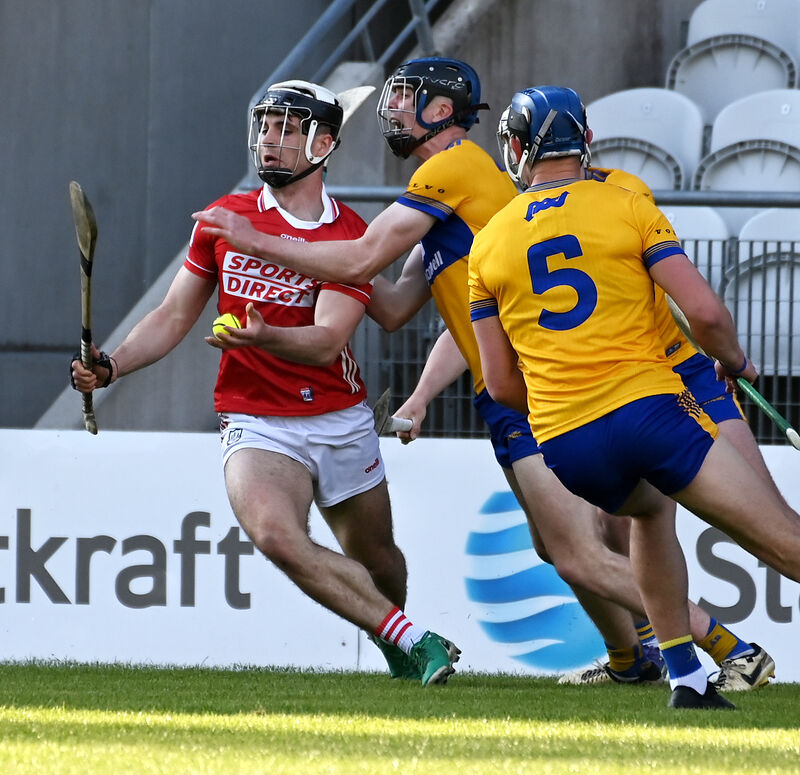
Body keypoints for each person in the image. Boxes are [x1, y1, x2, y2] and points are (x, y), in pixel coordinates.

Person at [191, 59, 773, 692]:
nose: (391, 113)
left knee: (588, 547)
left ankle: (728, 647)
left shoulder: (451, 167)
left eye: (406, 100)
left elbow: (361, 259)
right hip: (516, 389)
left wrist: (262, 239)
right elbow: (398, 308)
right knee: (565, 547)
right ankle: (634, 661)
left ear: (443, 112)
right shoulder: (447, 206)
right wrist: (413, 391)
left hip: (539, 391)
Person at [69, 79, 460, 687]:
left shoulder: (349, 238)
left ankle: (397, 638)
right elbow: (173, 316)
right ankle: (412, 640)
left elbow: (329, 340)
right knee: (276, 535)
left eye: (286, 129)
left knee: (381, 562)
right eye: (265, 127)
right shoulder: (226, 217)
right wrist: (112, 364)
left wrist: (263, 336)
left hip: (339, 418)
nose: (268, 142)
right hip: (255, 419)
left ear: (324, 143)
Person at [468, 84, 800, 709]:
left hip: (568, 445)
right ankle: (697, 670)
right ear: (586, 141)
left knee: (648, 515)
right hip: (651, 410)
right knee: (781, 538)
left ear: (515, 148)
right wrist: (735, 362)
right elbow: (703, 311)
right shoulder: (625, 201)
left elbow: (501, 384)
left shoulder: (488, 244)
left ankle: (688, 679)